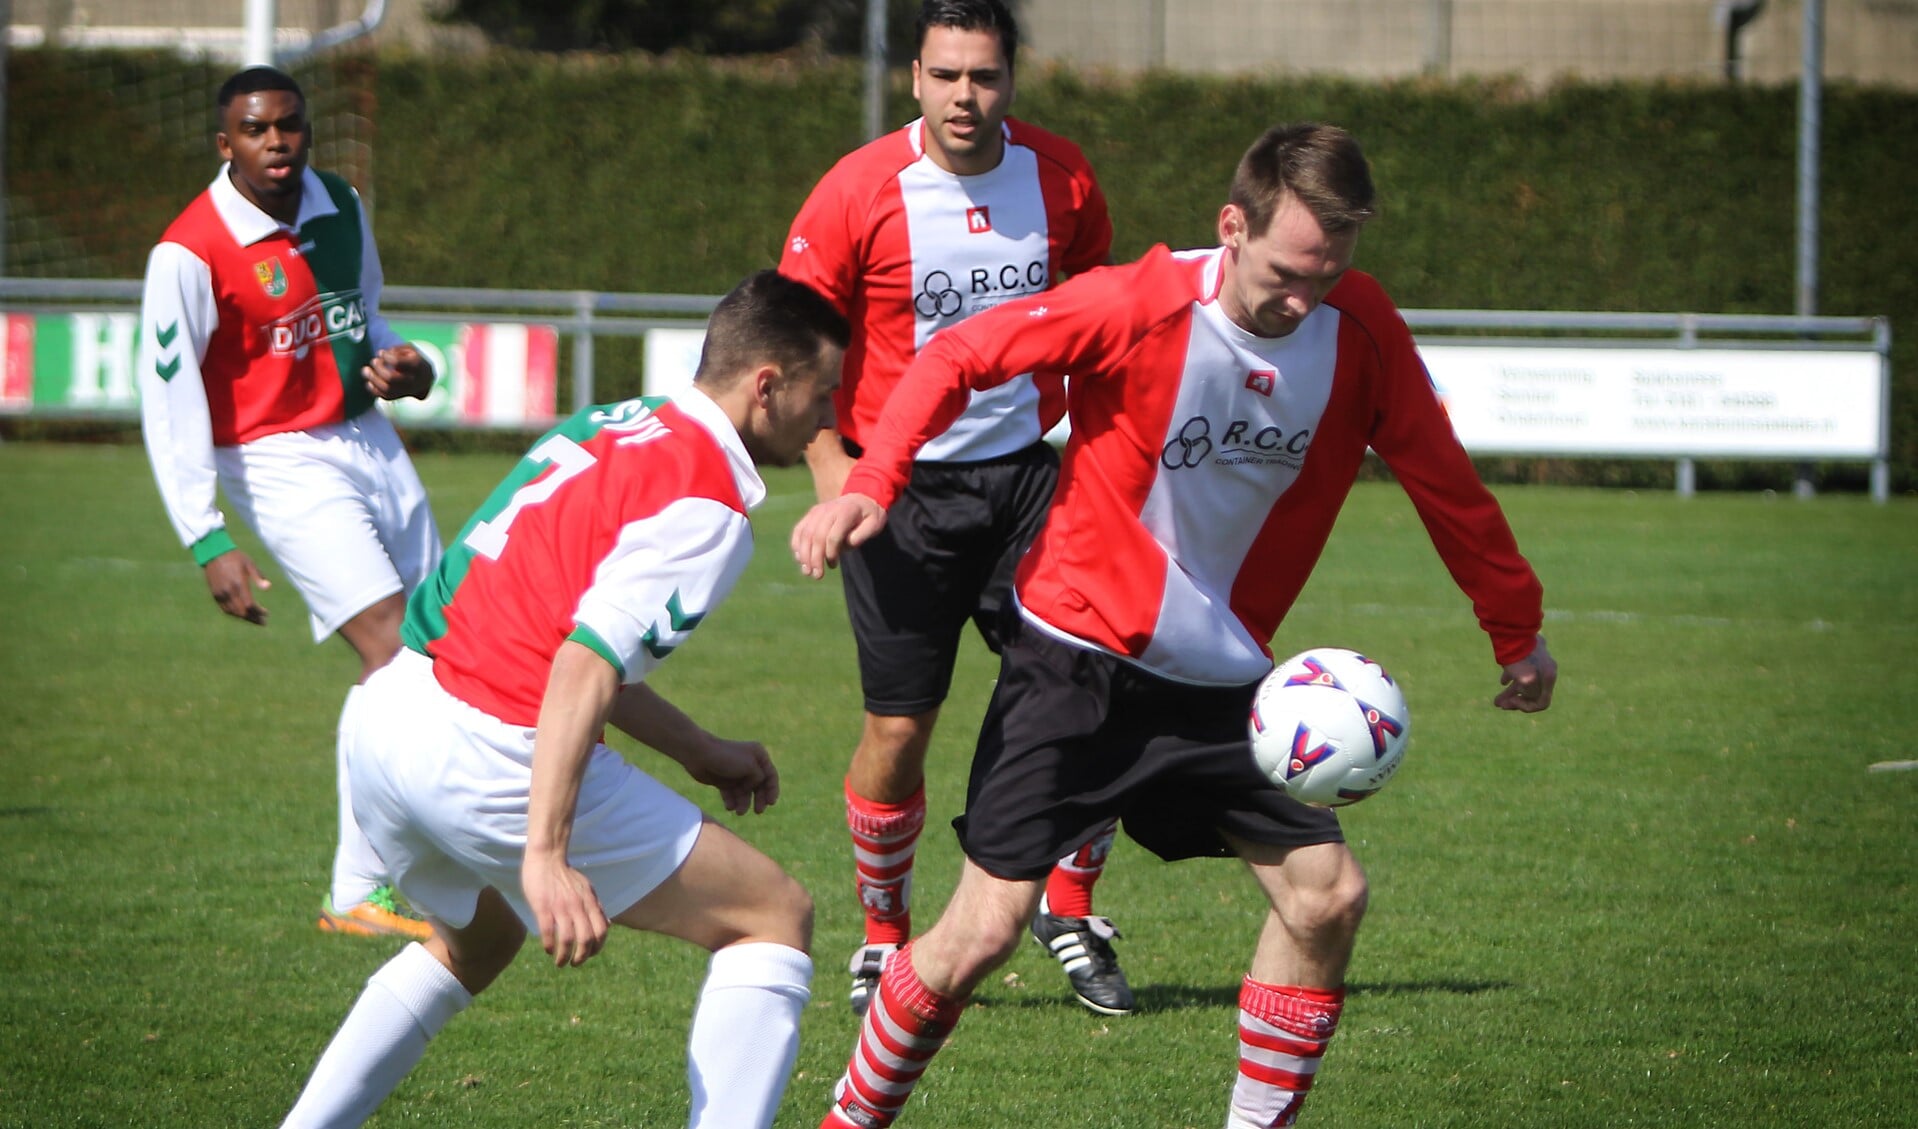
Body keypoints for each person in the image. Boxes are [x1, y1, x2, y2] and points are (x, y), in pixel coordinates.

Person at [791, 123, 1560, 1129]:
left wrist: (1515, 628)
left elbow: (1443, 481)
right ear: (1230, 226)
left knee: (1325, 898)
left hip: (1226, 686)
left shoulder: (1359, 328)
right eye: (1287, 272)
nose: (1304, 299)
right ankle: (846, 1121)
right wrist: (872, 480)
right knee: (979, 933)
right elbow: (962, 354)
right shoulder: (1137, 301)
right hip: (1075, 663)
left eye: (1329, 273)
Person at [278, 270, 850, 1129]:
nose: (829, 419)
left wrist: (697, 747)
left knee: (477, 941)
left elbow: (562, 632)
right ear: (767, 385)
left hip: (388, 719)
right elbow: (582, 663)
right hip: (489, 756)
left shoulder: (613, 421)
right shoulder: (710, 500)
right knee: (772, 914)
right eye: (824, 392)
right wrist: (544, 854)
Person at [778, 0, 1134, 1018]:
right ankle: (884, 934)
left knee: (1090, 687)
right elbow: (797, 340)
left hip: (1029, 476)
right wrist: (828, 466)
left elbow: (1099, 304)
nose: (964, 98)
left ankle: (1072, 907)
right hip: (897, 494)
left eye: (982, 76)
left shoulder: (1061, 176)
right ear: (916, 79)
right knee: (898, 728)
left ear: (1010, 76)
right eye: (945, 76)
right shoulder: (858, 190)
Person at [136, 65, 443, 940]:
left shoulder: (339, 202)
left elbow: (368, 316)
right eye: (257, 130)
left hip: (368, 438)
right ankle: (358, 887)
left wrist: (408, 365)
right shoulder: (189, 251)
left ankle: (402, 861)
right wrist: (206, 537)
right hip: (273, 458)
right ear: (224, 142)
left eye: (290, 127)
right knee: (394, 650)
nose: (278, 143)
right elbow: (169, 400)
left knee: (436, 644)